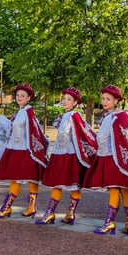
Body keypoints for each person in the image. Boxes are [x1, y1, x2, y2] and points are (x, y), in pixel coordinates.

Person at [83, 84, 128, 235]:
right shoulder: (108, 117)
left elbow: (127, 139)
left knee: (121, 189)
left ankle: (122, 222)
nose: (104, 101)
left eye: (108, 99)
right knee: (115, 189)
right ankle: (116, 222)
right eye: (103, 99)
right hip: (108, 158)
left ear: (116, 100)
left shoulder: (121, 116)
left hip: (118, 160)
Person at [35, 87, 97, 225]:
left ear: (75, 102)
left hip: (70, 155)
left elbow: (83, 133)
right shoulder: (64, 116)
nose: (65, 101)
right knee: (56, 184)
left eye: (69, 99)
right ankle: (50, 213)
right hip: (59, 153)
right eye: (64, 99)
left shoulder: (75, 116)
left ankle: (70, 213)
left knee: (73, 185)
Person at [0, 84, 48, 219]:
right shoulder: (23, 111)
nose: (19, 97)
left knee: (28, 178)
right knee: (20, 178)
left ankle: (18, 207)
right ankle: (15, 207)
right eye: (18, 95)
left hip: (25, 150)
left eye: (23, 96)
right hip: (17, 148)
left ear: (29, 98)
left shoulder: (28, 111)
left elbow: (32, 130)